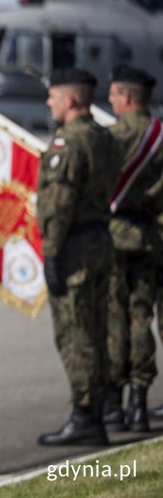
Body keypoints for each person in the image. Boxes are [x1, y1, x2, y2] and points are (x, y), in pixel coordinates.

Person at [36, 67, 121, 446]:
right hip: (102, 239)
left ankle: (85, 417)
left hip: (74, 248)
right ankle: (102, 408)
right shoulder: (104, 137)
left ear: (70, 100)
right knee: (99, 329)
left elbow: (58, 205)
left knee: (76, 334)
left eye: (53, 96)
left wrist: (51, 255)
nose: (49, 103)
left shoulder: (66, 144)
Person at [100, 64, 163, 432]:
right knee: (142, 318)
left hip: (113, 237)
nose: (109, 99)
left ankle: (113, 404)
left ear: (126, 97)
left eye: (113, 93)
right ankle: (140, 403)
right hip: (150, 239)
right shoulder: (158, 135)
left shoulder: (111, 138)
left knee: (113, 321)